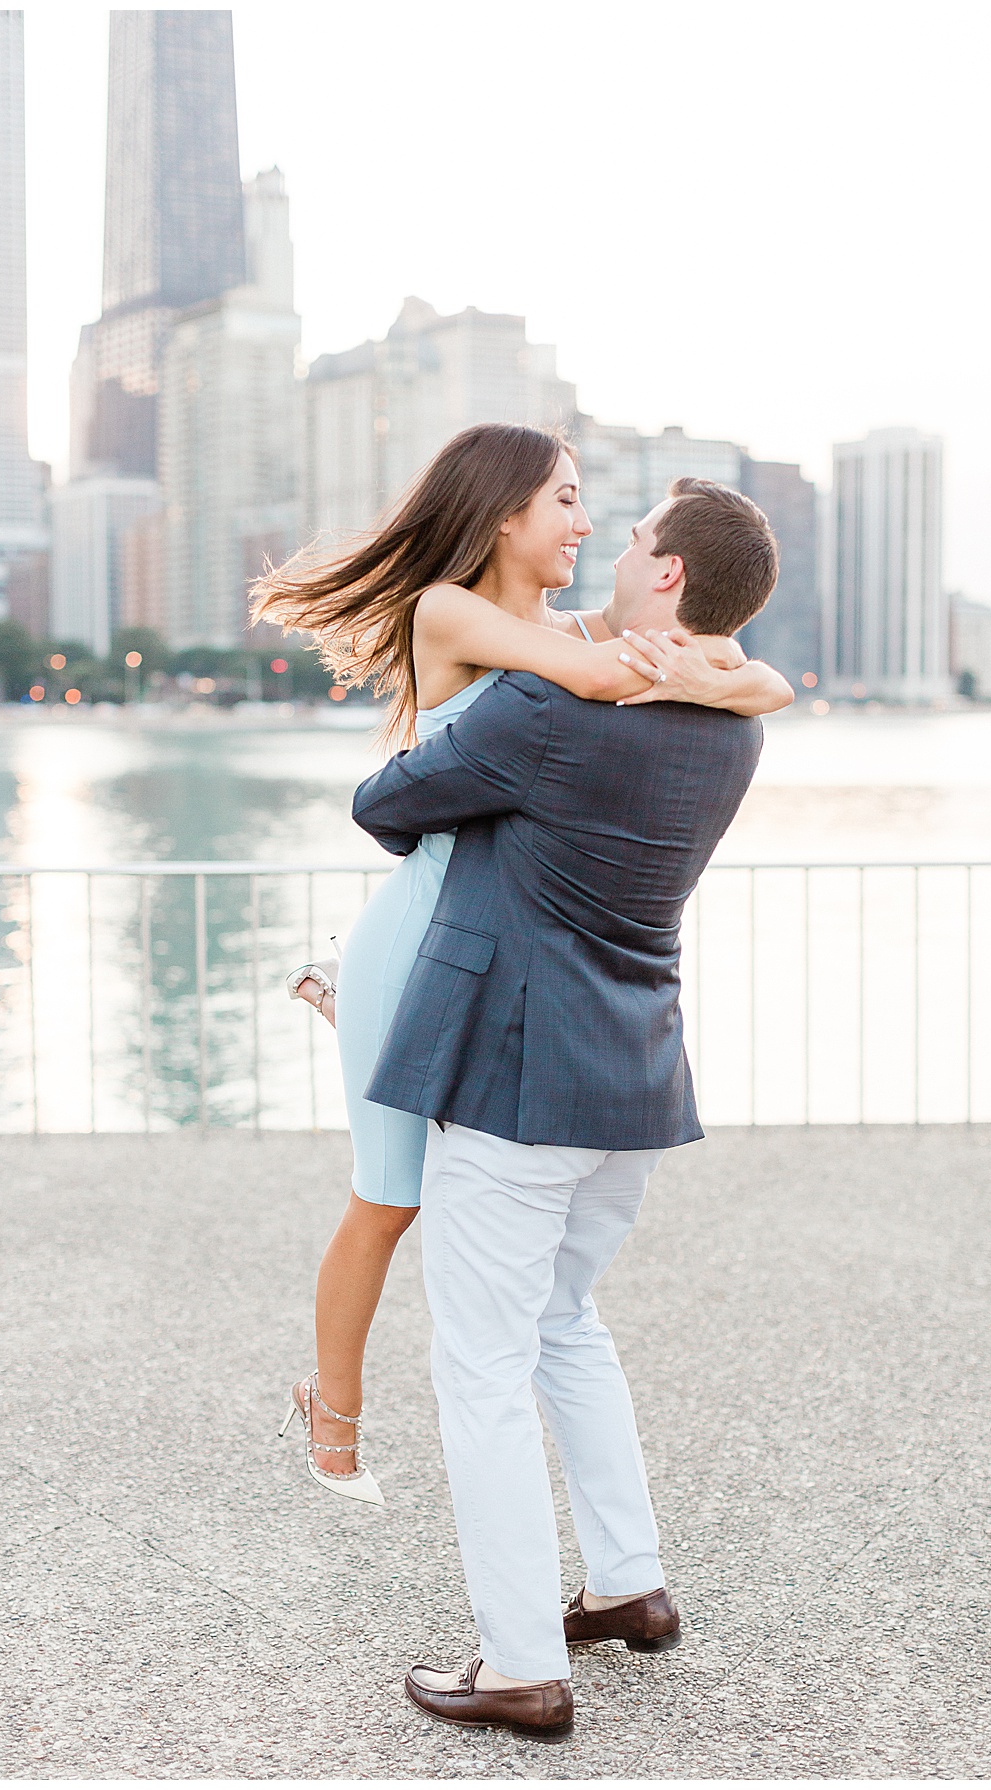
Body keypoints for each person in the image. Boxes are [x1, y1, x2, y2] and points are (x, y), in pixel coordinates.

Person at [250, 424, 791, 1506]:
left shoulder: (566, 622)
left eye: (595, 509)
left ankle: (343, 999)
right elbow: (593, 673)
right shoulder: (452, 611)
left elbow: (760, 671)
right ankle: (332, 1411)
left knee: (431, 1199)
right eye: (568, 501)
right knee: (389, 1196)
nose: (586, 524)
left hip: (479, 933)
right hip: (421, 922)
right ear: (505, 513)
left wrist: (732, 679)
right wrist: (693, 674)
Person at [347, 474, 780, 1739]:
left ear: (670, 577)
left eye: (635, 534)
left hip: (518, 1075)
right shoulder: (736, 723)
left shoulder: (547, 707)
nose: (615, 541)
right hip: (631, 1076)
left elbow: (387, 804)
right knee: (562, 1322)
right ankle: (629, 1583)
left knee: (479, 1359)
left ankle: (521, 1663)